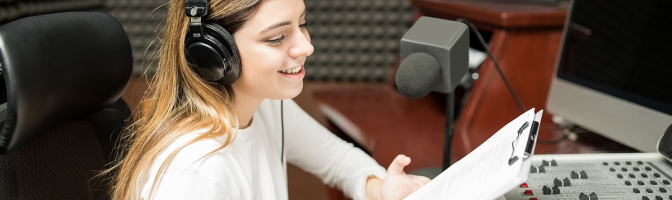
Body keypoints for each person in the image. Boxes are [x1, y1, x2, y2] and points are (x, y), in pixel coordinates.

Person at [106, 0, 430, 199]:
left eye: (302, 24)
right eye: (277, 38)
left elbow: (338, 160)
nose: (305, 47)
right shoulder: (197, 176)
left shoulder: (266, 107)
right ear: (213, 54)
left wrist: (381, 188)